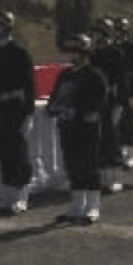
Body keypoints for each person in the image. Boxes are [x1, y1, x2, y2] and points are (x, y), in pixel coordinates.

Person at [46, 34, 109, 225]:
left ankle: (92, 206)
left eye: (76, 51)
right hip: (67, 126)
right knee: (72, 166)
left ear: (85, 53)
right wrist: (54, 108)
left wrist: (79, 111)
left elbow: (98, 103)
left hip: (86, 128)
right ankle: (76, 206)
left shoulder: (95, 75)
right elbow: (55, 98)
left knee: (89, 165)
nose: (71, 55)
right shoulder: (65, 75)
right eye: (70, 52)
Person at [0, 11, 36, 214]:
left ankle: (21, 196)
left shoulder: (20, 53)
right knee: (2, 152)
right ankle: (7, 195)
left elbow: (29, 86)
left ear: (7, 28)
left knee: (18, 152)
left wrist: (28, 113)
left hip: (14, 107)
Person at [90, 18, 130, 193]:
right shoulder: (93, 54)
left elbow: (122, 81)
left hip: (112, 101)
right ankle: (102, 176)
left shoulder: (116, 53)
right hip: (97, 102)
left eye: (98, 32)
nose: (95, 35)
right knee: (99, 141)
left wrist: (120, 103)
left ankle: (115, 178)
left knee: (112, 140)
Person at [114, 17, 133, 169]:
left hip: (128, 91)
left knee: (128, 123)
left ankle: (130, 154)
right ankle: (120, 152)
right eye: (116, 30)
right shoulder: (112, 48)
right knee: (116, 123)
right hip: (115, 91)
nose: (118, 33)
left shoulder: (132, 49)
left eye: (121, 30)